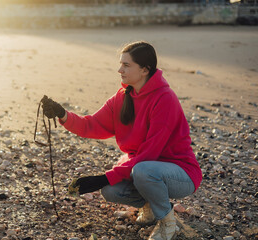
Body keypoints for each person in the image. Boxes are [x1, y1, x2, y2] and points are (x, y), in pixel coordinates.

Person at [41, 41, 202, 240]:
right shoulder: (121, 97)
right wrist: (62, 114)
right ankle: (151, 207)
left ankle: (168, 223)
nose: (120, 70)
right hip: (145, 170)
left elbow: (149, 154)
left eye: (126, 65)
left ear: (144, 70)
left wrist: (104, 176)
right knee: (110, 190)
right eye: (121, 64)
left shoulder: (164, 99)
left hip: (180, 173)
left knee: (142, 171)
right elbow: (90, 125)